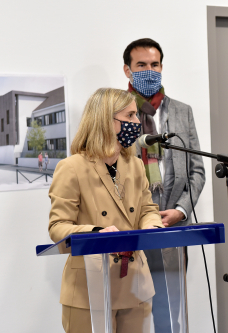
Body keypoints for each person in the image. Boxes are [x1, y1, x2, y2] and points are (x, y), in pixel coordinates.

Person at [48, 88, 163, 333]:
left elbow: (148, 209)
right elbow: (58, 227)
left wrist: (152, 226)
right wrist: (97, 232)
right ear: (105, 120)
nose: (136, 123)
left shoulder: (135, 165)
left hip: (136, 284)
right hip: (89, 289)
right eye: (130, 116)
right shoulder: (71, 167)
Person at [123, 38, 205, 331]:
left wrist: (181, 211)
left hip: (171, 227)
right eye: (141, 65)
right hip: (129, 229)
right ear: (127, 70)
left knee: (168, 313)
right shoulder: (115, 111)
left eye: (154, 65)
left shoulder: (182, 111)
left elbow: (197, 171)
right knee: (129, 313)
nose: (149, 71)